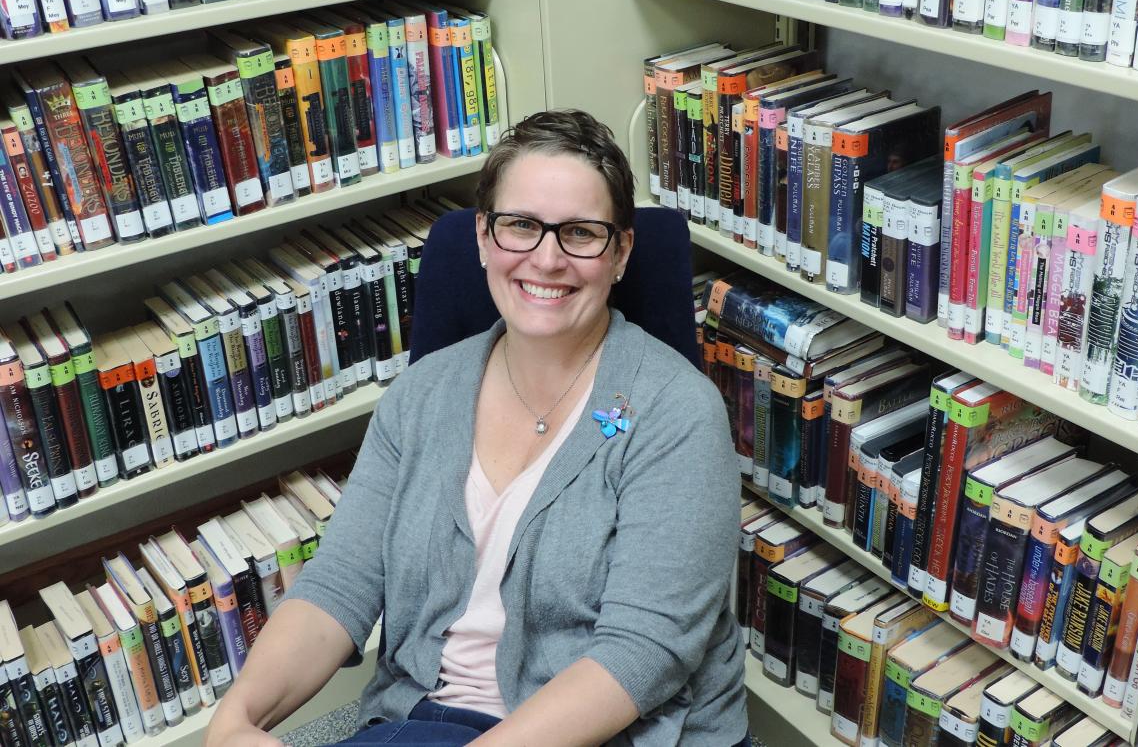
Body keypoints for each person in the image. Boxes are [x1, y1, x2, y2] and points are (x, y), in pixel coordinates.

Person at [205, 110, 748, 746]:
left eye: (580, 232)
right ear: (485, 238)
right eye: (520, 226)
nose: (546, 260)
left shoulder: (676, 411)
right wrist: (235, 718)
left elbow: (641, 653)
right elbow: (340, 584)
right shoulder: (420, 395)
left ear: (620, 252)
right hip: (423, 720)